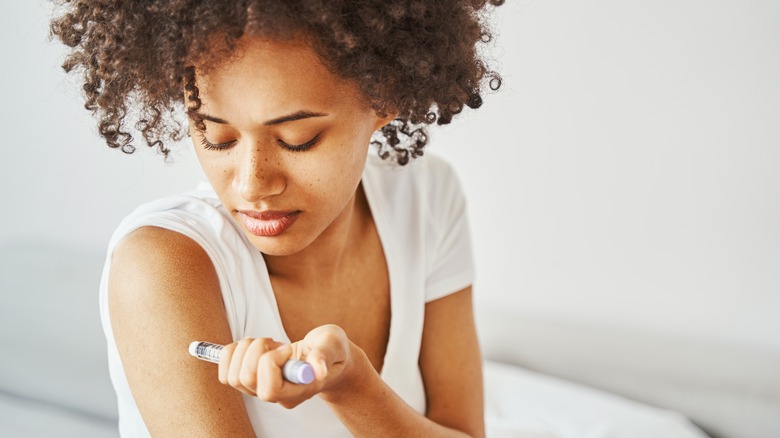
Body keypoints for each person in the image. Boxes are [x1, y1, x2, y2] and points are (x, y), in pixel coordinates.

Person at [51, 1, 502, 436]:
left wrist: (350, 386)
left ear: (384, 98)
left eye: (297, 139)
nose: (252, 185)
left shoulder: (425, 196)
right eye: (216, 137)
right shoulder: (161, 264)